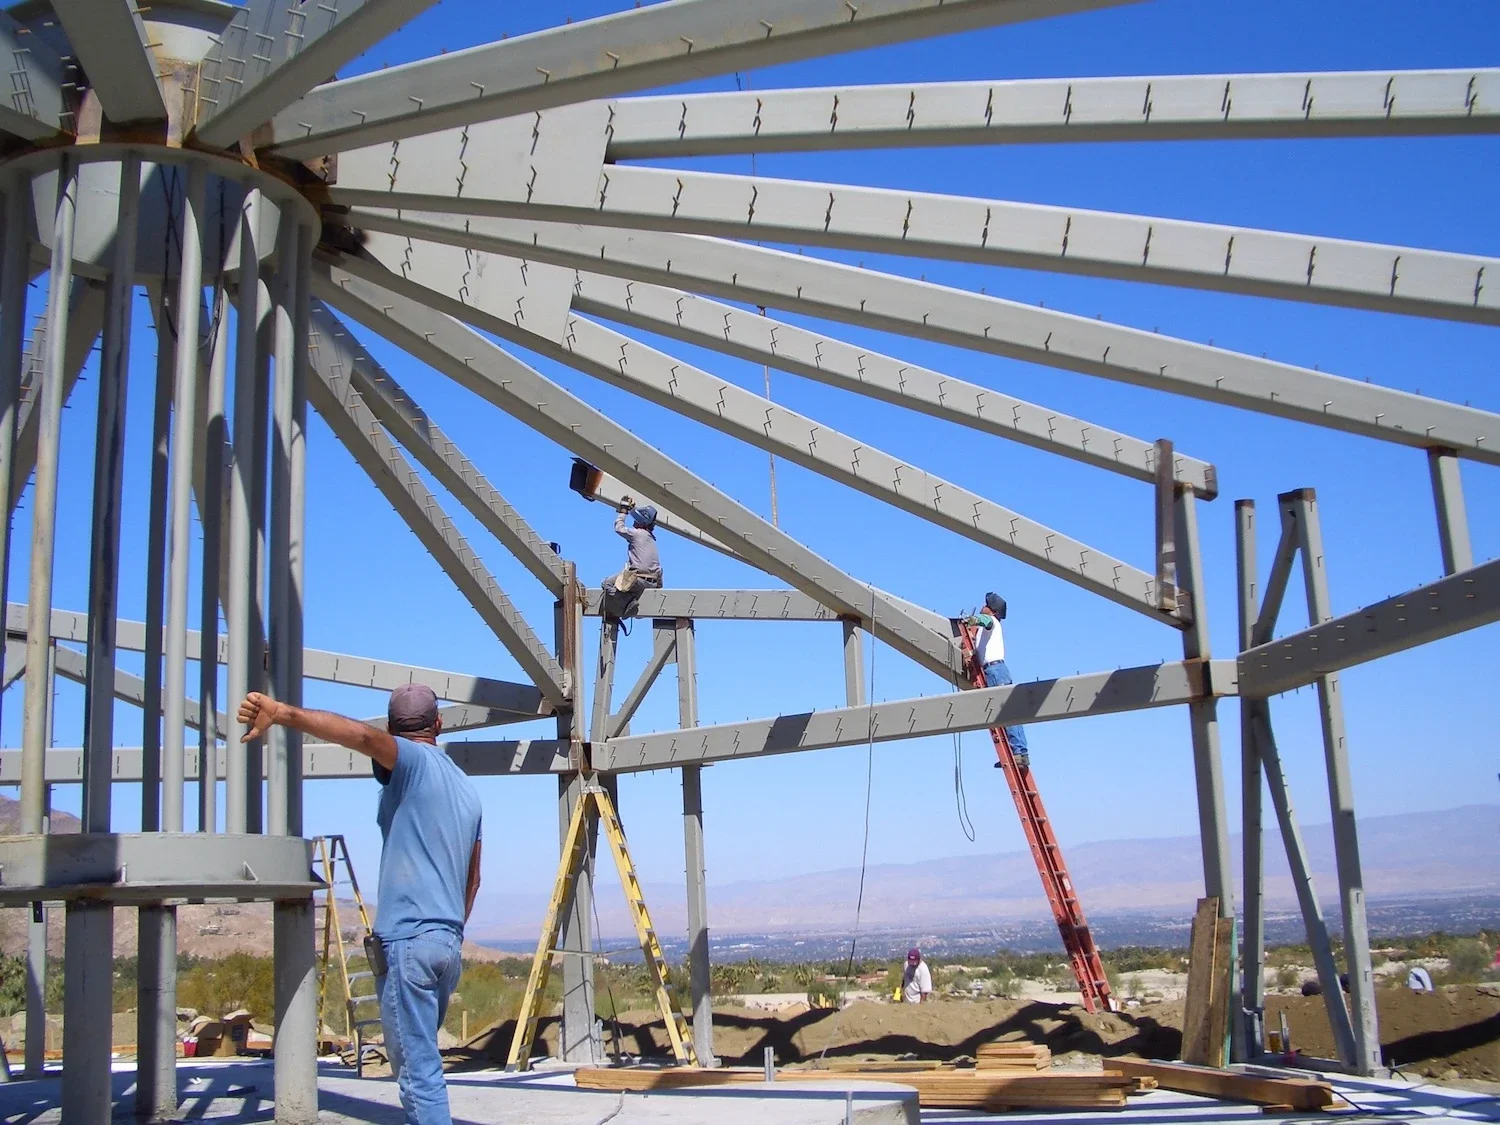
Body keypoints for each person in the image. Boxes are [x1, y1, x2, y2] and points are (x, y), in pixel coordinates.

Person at [237, 683, 482, 1125]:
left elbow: (364, 739)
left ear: (392, 731)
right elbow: (474, 877)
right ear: (439, 724)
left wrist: (283, 712)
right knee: (424, 1061)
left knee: (418, 1075)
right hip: (445, 942)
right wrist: (448, 930)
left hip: (409, 943)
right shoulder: (466, 790)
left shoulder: (412, 762)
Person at [964, 591, 1030, 769]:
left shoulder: (991, 622)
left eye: (985, 605)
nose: (982, 607)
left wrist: (970, 620)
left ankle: (1017, 753)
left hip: (994, 670)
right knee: (1011, 711)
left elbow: (984, 620)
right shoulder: (990, 632)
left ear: (991, 610)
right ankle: (1020, 753)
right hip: (998, 670)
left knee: (1004, 712)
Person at [601, 496, 663, 616]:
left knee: (606, 583)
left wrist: (623, 511)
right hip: (653, 582)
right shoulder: (651, 538)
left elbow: (619, 528)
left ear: (641, 522)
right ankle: (630, 602)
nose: (634, 521)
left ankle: (628, 603)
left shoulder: (637, 534)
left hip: (638, 580)